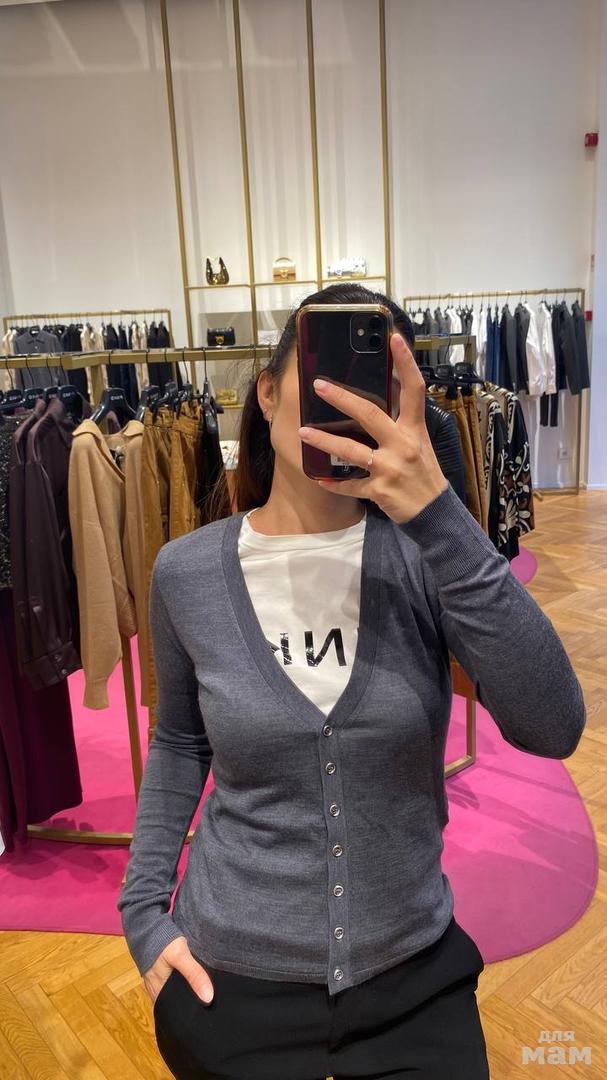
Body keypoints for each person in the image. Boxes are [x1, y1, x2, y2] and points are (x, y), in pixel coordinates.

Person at [117, 283, 586, 1080]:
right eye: (323, 379)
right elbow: (178, 742)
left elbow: (552, 725)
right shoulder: (185, 572)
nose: (348, 406)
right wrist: (142, 913)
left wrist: (439, 515)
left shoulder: (426, 557)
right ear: (267, 394)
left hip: (413, 975)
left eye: (377, 390)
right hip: (229, 981)